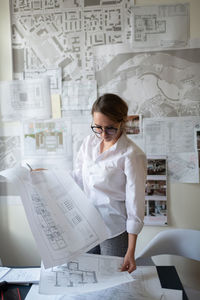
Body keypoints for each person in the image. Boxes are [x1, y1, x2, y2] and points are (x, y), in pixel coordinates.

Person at [72, 93, 147, 273]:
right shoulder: (89, 142)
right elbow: (77, 176)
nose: (103, 134)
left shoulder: (131, 154)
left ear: (122, 122)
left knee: (112, 280)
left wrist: (131, 251)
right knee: (85, 275)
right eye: (98, 127)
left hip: (113, 230)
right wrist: (46, 177)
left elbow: (134, 204)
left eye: (110, 128)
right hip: (88, 225)